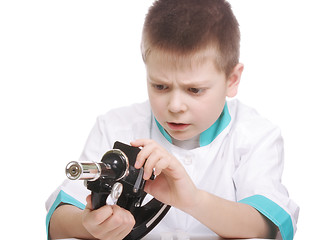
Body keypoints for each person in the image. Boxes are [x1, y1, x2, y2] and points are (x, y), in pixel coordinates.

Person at [46, 0, 299, 239]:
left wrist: (193, 200)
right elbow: (58, 220)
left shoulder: (256, 136)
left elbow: (265, 226)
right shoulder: (114, 126)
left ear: (232, 80)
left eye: (195, 90)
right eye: (160, 86)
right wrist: (87, 225)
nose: (175, 106)